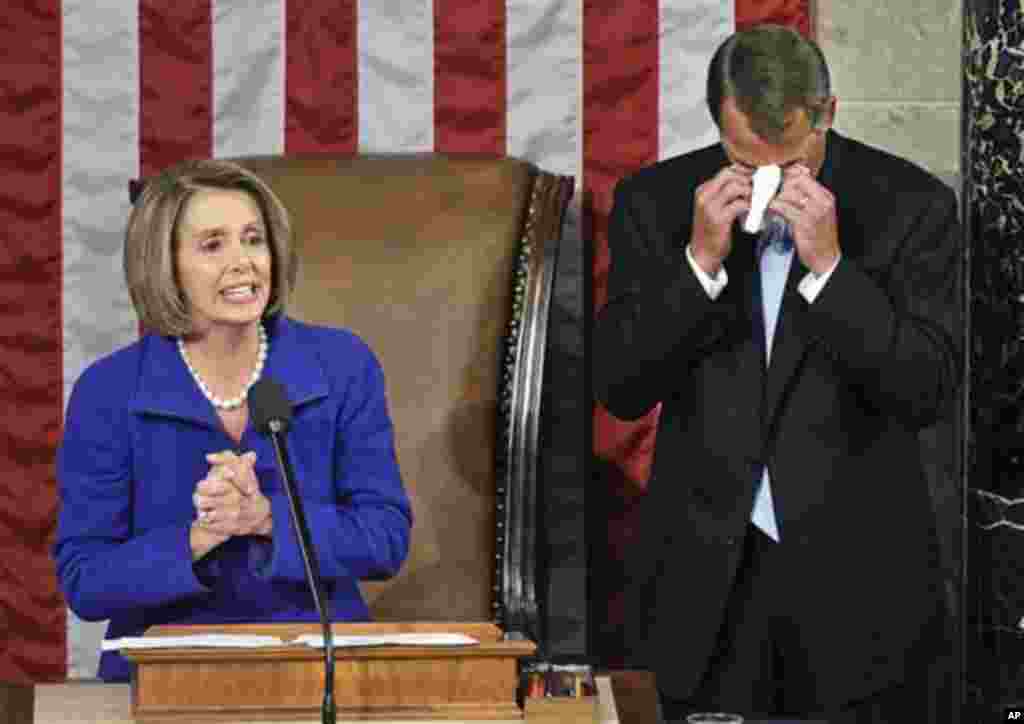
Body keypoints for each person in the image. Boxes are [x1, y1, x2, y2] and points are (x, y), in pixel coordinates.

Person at [594, 24, 960, 723]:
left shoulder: (911, 207)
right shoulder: (657, 203)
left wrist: (831, 271)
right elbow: (622, 387)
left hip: (861, 590)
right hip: (704, 584)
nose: (770, 182)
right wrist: (698, 263)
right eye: (745, 159)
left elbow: (926, 390)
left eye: (792, 161)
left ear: (829, 112)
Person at [54, 159, 413, 682]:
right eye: (213, 245)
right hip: (163, 680)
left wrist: (265, 518)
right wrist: (201, 535)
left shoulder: (341, 366)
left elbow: (384, 538)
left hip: (317, 669)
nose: (244, 263)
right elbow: (85, 579)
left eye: (253, 239)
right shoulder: (109, 391)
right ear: (165, 264)